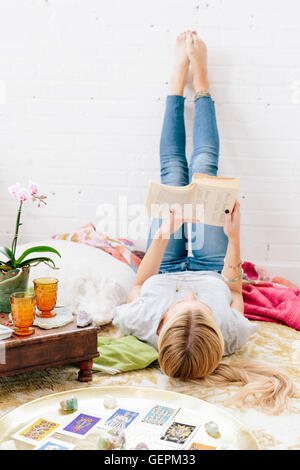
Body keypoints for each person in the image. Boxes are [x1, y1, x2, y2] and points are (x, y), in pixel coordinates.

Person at [113, 32, 294, 414]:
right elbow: (235, 293)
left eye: (181, 307)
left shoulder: (141, 321)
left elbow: (140, 283)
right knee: (205, 171)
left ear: (161, 325)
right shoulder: (230, 333)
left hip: (162, 262)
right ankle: (203, 85)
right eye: (203, 309)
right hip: (213, 267)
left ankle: (176, 85)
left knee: (174, 173)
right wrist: (234, 238)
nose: (190, 297)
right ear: (215, 326)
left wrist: (161, 240)